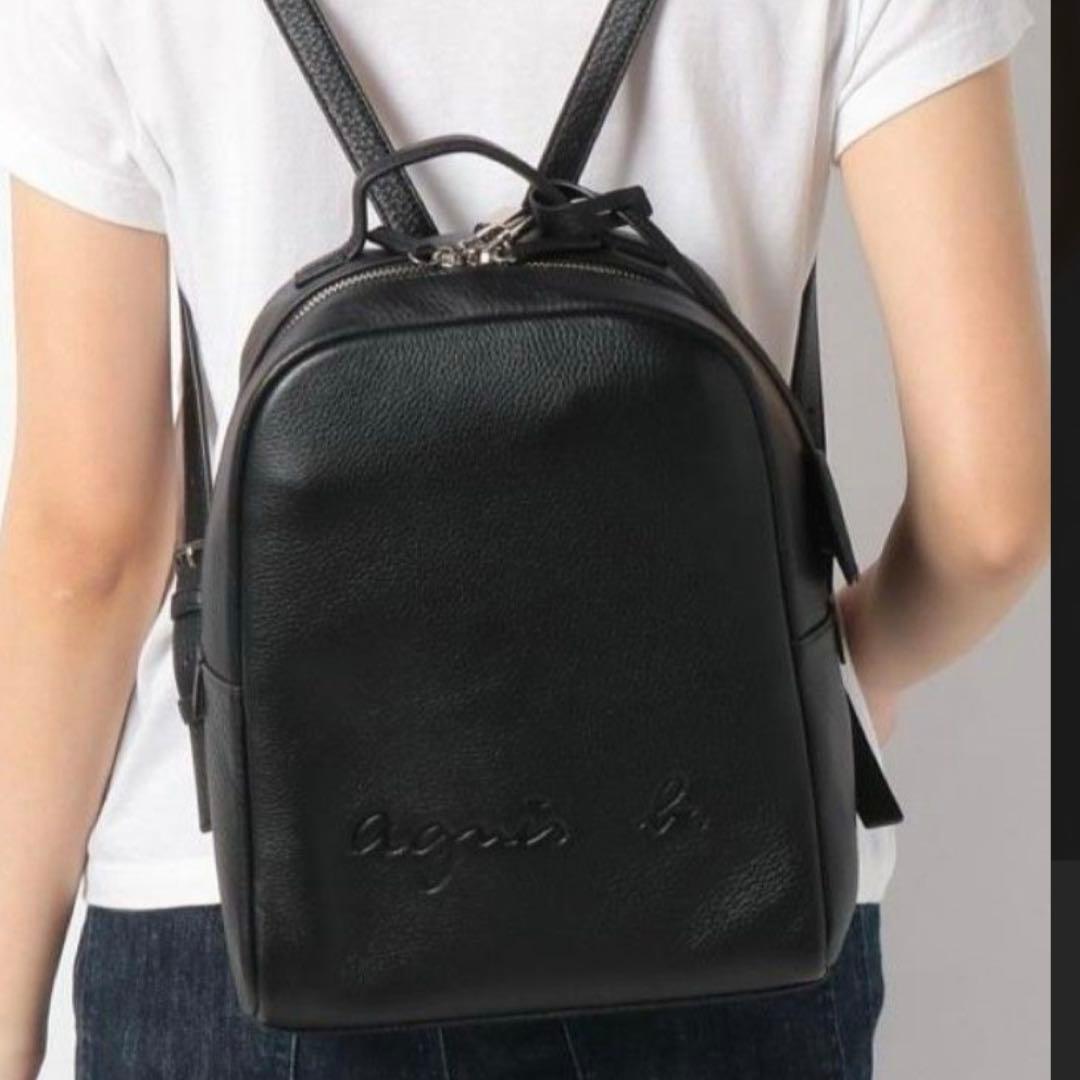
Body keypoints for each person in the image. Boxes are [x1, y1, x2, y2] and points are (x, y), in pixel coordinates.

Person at [0, 1, 1050, 1078]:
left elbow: (88, 544)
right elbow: (994, 519)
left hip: (254, 884)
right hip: (728, 867)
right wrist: (844, 673)